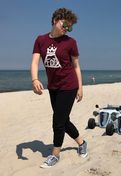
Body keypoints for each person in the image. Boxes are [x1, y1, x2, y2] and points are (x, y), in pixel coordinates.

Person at [31, 8, 88, 168]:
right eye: (65, 25)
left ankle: (55, 155)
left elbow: (76, 66)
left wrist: (80, 87)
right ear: (56, 20)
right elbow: (35, 61)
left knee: (57, 122)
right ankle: (82, 142)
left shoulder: (70, 42)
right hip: (53, 87)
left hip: (69, 86)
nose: (67, 29)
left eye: (70, 27)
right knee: (63, 120)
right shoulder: (40, 40)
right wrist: (35, 79)